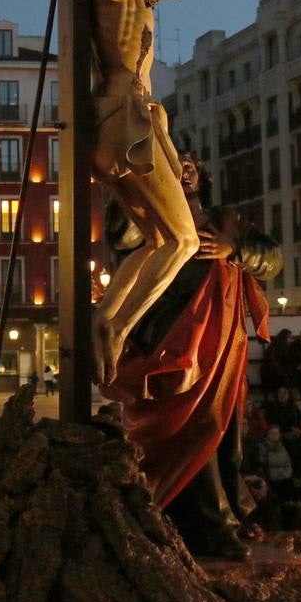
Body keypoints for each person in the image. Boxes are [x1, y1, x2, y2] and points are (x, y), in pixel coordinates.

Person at [102, 151, 279, 560]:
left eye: (191, 165)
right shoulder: (151, 215)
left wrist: (234, 249)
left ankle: (225, 516)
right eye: (174, 163)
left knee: (223, 432)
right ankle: (203, 524)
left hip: (221, 345)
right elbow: (121, 237)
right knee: (187, 428)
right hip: (170, 344)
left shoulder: (227, 221)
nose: (184, 169)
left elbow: (271, 258)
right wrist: (132, 187)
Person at [86, 0, 205, 387]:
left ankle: (109, 319)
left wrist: (176, 157)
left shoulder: (143, 10)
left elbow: (152, 97)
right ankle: (114, 323)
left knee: (159, 240)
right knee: (183, 241)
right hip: (120, 119)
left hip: (131, 123)